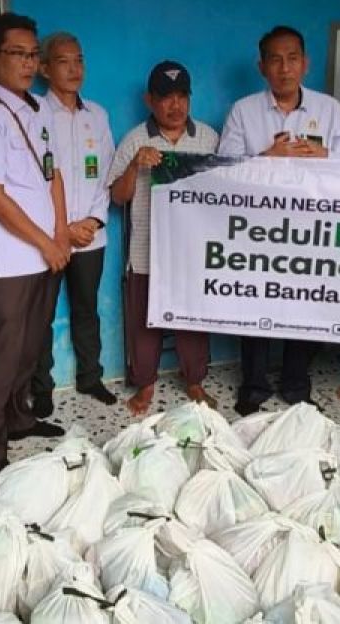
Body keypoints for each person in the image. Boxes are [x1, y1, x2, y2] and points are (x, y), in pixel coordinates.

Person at [218, 25, 340, 415]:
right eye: (275, 60)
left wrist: (324, 156)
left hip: (313, 229)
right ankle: (254, 385)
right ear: (262, 67)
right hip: (258, 230)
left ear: (305, 64)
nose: (284, 67)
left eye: (292, 58)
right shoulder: (243, 111)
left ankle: (297, 385)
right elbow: (224, 170)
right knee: (254, 307)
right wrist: (268, 156)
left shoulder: (328, 109)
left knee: (304, 306)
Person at [0, 13, 69, 479]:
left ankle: (21, 420)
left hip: (46, 255)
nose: (28, 63)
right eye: (17, 54)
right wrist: (46, 241)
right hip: (9, 261)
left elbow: (54, 174)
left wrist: (61, 234)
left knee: (29, 347)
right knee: (2, 353)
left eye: (32, 54)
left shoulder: (37, 110)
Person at [110, 60, 220, 416]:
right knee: (145, 322)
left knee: (192, 319)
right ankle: (145, 386)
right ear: (149, 100)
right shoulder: (134, 139)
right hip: (146, 251)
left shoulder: (207, 137)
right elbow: (117, 197)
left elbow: (225, 191)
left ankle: (194, 381)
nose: (175, 105)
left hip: (192, 251)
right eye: (166, 97)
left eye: (182, 96)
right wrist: (134, 166)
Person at [30, 32, 118, 416]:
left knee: (87, 309)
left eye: (79, 60)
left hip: (90, 237)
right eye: (63, 61)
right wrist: (61, 229)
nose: (74, 68)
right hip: (48, 238)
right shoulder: (33, 112)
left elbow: (108, 175)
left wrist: (93, 221)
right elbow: (32, 180)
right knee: (41, 315)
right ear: (45, 69)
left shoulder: (97, 115)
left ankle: (90, 377)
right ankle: (42, 386)